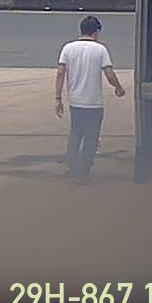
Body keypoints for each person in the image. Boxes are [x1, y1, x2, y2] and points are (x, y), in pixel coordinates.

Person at [55, 15, 125, 183]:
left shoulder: (68, 48)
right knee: (91, 137)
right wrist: (118, 87)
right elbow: (109, 74)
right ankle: (83, 170)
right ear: (97, 31)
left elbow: (60, 73)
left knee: (76, 133)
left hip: (75, 101)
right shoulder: (100, 50)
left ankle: (72, 166)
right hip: (94, 103)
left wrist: (58, 98)